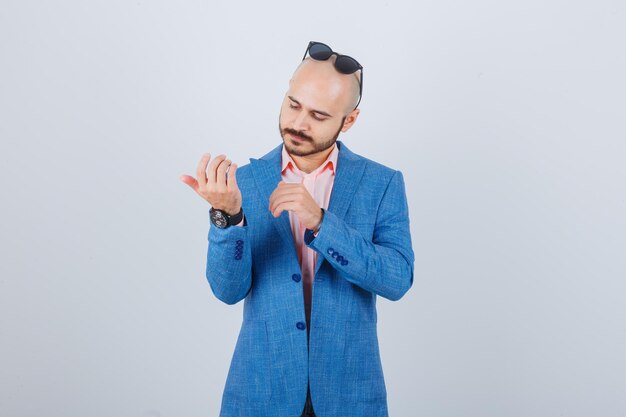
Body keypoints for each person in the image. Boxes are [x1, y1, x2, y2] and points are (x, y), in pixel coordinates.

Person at [181, 41, 415, 417]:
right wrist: (228, 217)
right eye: (293, 104)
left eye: (319, 116)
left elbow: (397, 279)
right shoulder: (246, 182)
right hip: (260, 393)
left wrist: (322, 223)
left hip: (350, 396)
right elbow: (227, 291)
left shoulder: (382, 183)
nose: (299, 124)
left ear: (349, 120)